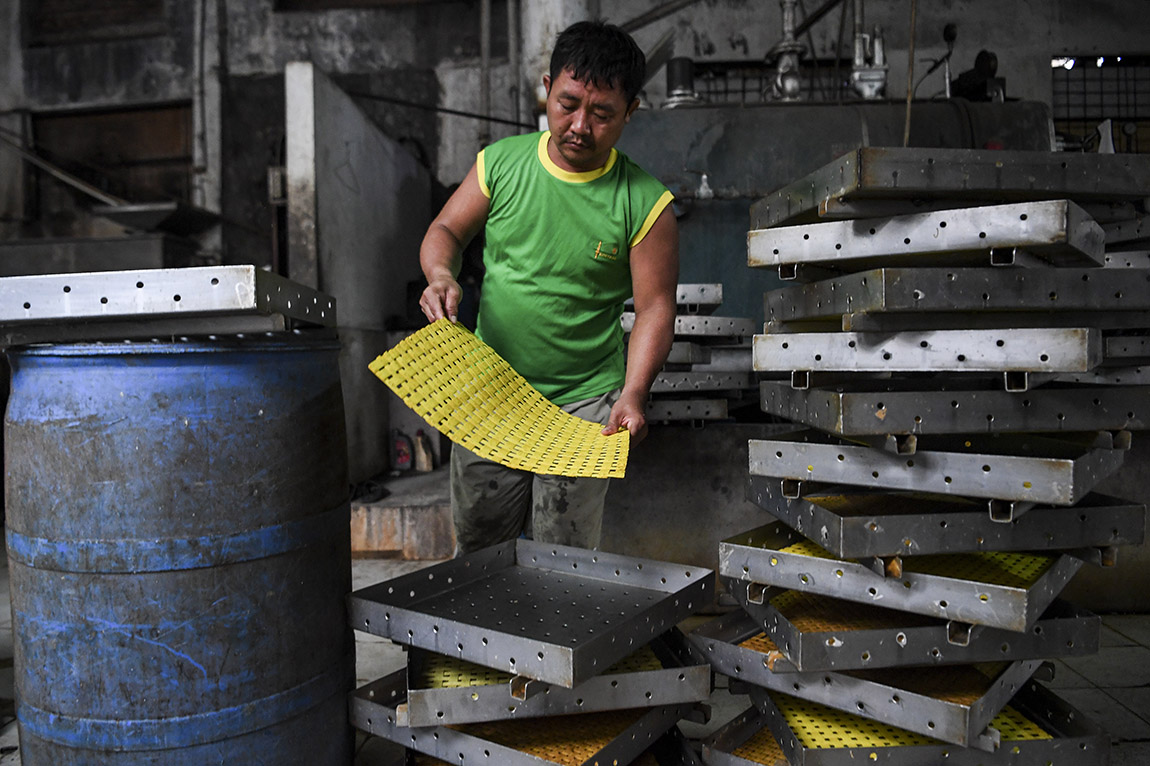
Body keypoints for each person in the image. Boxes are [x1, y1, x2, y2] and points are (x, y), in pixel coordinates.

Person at [417, 20, 679, 554]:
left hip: (585, 407)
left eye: (602, 113)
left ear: (631, 112)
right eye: (568, 103)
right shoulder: (501, 165)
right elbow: (445, 231)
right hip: (491, 394)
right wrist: (441, 275)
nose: (580, 125)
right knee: (481, 551)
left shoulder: (645, 202)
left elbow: (654, 308)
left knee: (564, 560)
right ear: (546, 88)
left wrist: (633, 393)